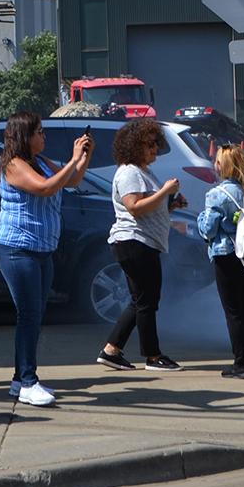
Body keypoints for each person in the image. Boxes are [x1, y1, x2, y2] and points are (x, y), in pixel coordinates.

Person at [0, 112, 90, 407]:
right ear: (25, 136)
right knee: (29, 316)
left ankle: (19, 379)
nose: (43, 136)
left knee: (34, 315)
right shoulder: (14, 165)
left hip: (41, 249)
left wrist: (82, 158)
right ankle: (27, 382)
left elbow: (69, 182)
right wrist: (73, 159)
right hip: (16, 248)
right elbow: (44, 188)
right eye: (39, 132)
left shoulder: (41, 162)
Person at [96, 119, 183, 373]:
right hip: (134, 241)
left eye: (155, 144)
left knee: (141, 300)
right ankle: (153, 356)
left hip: (141, 242)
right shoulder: (129, 172)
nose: (154, 149)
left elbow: (147, 207)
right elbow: (134, 207)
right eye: (148, 145)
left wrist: (171, 204)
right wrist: (165, 191)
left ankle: (111, 350)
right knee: (146, 301)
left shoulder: (142, 170)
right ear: (134, 146)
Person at [197, 146, 244, 380]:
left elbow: (208, 229)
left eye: (217, 161)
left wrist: (199, 218)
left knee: (233, 312)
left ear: (222, 166)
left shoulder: (216, 194)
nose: (214, 165)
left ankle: (241, 364)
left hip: (227, 255)